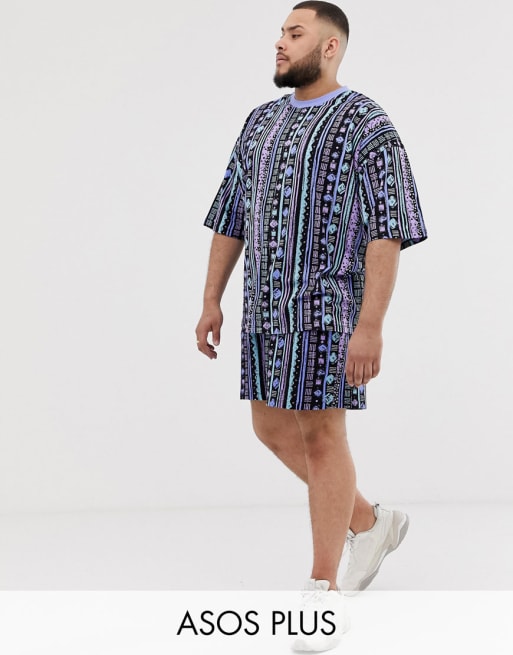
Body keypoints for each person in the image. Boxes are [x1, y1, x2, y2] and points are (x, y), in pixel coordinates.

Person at [195, 1, 427, 650]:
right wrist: (211, 299)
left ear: (329, 47)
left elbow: (388, 229)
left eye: (294, 34)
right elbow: (230, 214)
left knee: (323, 435)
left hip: (329, 310)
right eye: (279, 32)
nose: (279, 42)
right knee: (269, 427)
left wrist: (370, 325)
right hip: (264, 308)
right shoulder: (260, 122)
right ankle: (370, 522)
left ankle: (322, 590)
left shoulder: (366, 123)